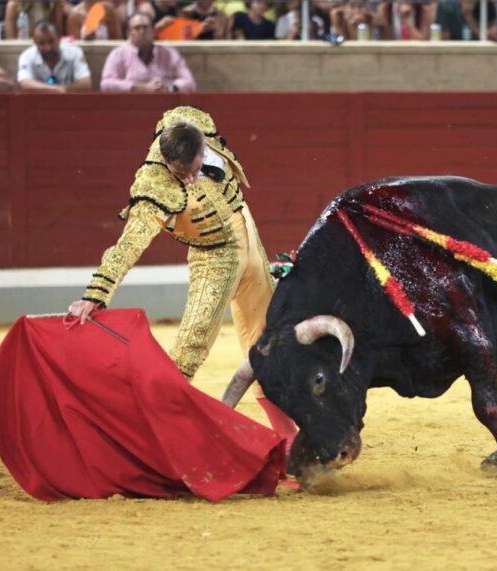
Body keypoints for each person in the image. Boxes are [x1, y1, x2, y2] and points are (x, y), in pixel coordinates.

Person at [66, 106, 297, 446]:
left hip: (247, 230)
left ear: (202, 148)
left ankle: (290, 440)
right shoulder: (153, 184)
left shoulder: (195, 122)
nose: (189, 179)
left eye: (194, 170)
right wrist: (96, 293)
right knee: (190, 346)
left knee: (268, 339)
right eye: (180, 174)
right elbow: (129, 244)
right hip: (213, 255)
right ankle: (149, 439)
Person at [100, 12, 196, 92]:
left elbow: (189, 82)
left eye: (145, 27)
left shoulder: (169, 53)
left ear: (153, 31)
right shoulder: (118, 54)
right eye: (137, 28)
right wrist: (140, 87)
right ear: (129, 33)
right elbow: (106, 84)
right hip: (130, 107)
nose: (142, 32)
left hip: (165, 108)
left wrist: (169, 87)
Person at [17, 20, 92, 93]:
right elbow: (24, 83)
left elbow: (86, 83)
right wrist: (57, 90)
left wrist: (63, 89)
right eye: (42, 43)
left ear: (59, 38)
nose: (48, 48)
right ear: (35, 42)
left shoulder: (75, 52)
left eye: (51, 41)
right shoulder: (26, 56)